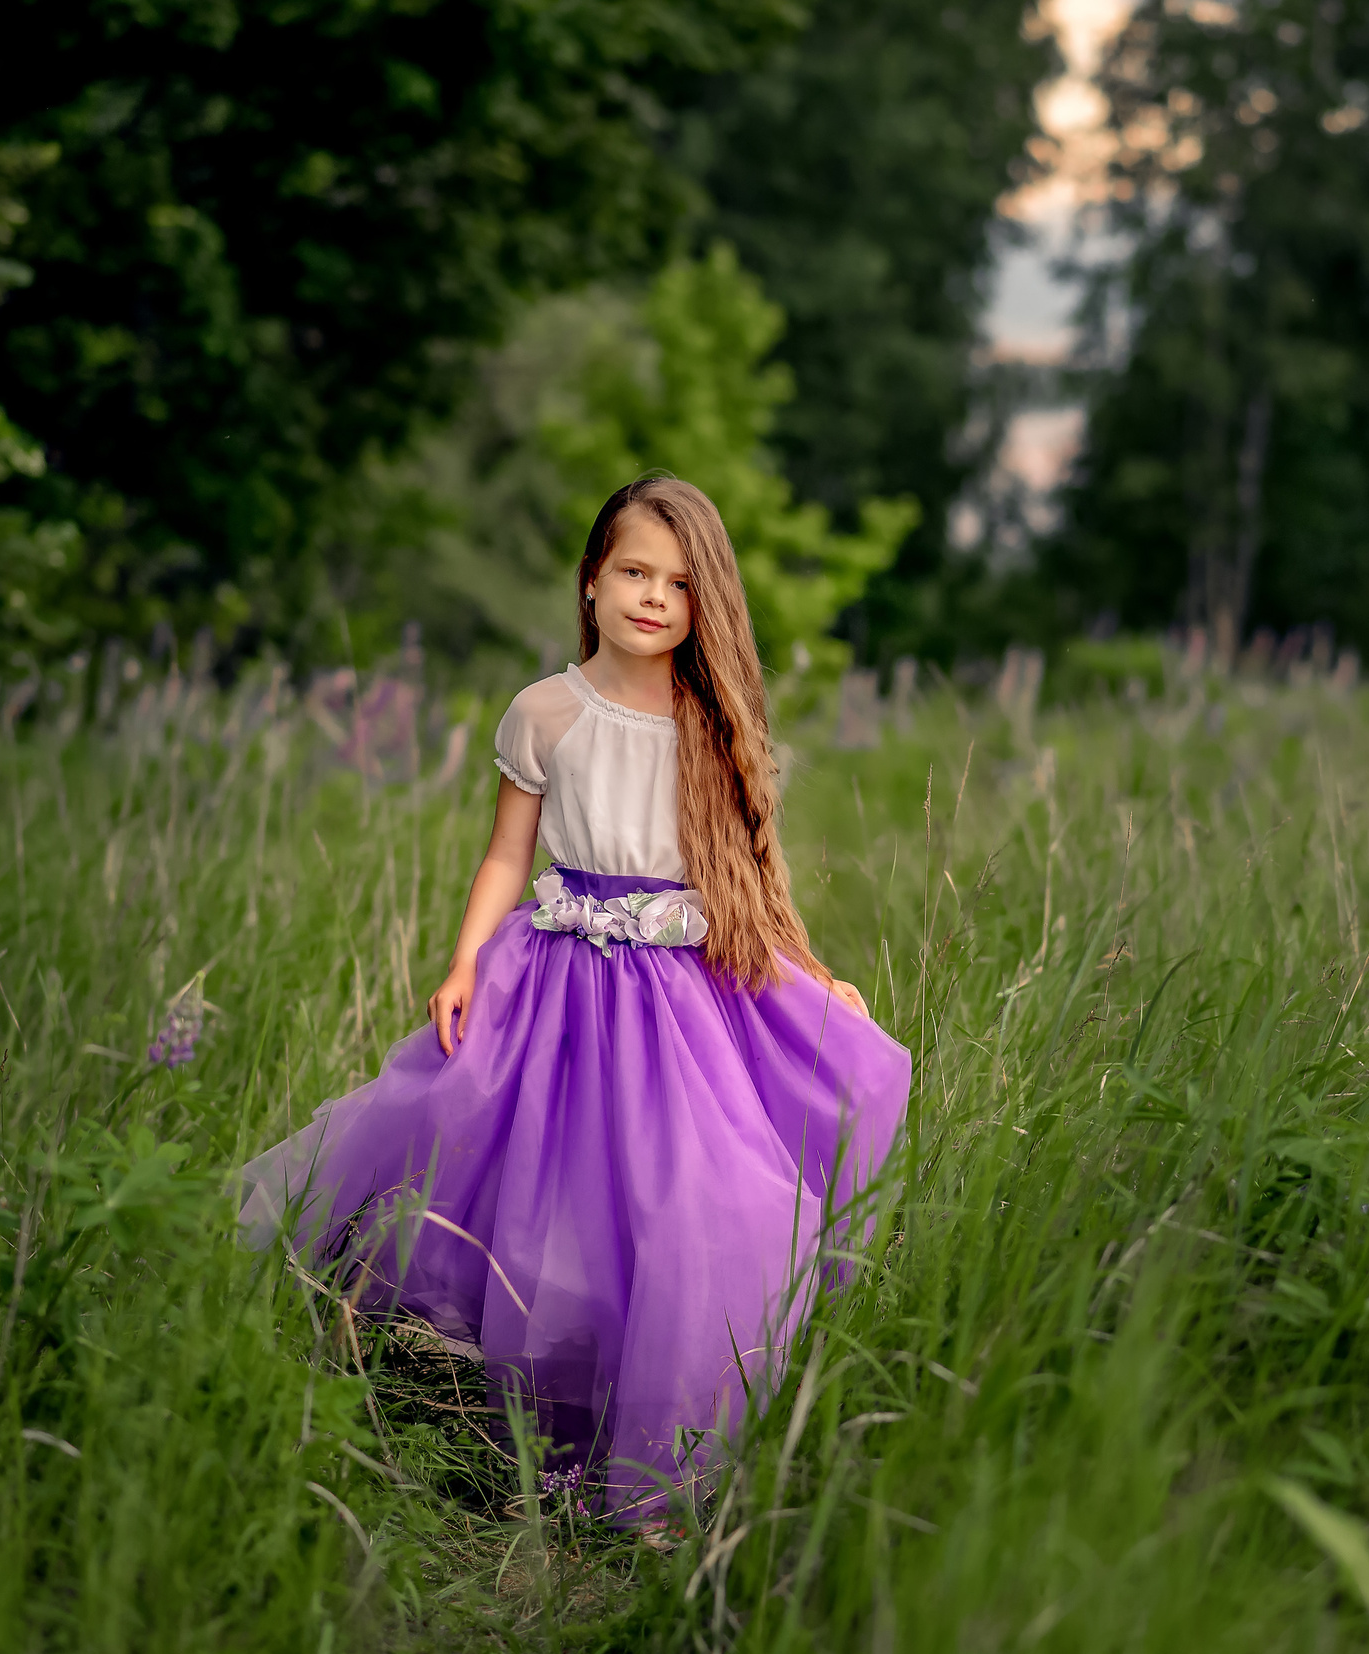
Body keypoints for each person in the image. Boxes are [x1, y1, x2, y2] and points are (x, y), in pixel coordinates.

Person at [240, 476, 910, 1525]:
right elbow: (506, 857)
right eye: (634, 571)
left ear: (704, 603)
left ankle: (658, 1454)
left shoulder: (711, 718)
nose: (653, 596)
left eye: (679, 582)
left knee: (691, 1197)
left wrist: (813, 972)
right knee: (502, 1171)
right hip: (551, 986)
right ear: (591, 580)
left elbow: (750, 877)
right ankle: (465, 1407)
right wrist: (465, 963)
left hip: (678, 1003)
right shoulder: (545, 711)